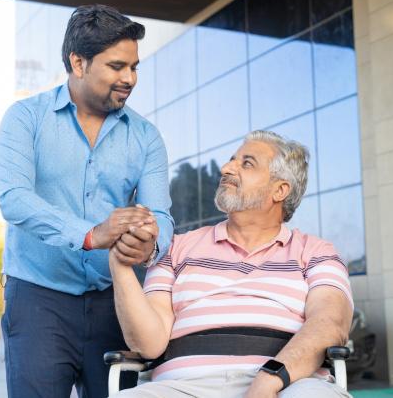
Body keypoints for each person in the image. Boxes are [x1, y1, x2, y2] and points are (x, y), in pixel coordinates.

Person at [0, 4, 174, 398]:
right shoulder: (25, 118)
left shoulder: (145, 137)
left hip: (116, 303)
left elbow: (160, 212)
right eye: (116, 66)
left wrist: (151, 240)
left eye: (134, 67)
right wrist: (91, 234)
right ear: (78, 62)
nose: (129, 78)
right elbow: (13, 198)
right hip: (38, 298)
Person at [109, 130, 353, 398]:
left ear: (280, 190)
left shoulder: (316, 252)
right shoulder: (176, 248)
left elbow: (330, 323)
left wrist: (271, 377)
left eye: (246, 163)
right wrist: (119, 263)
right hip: (183, 387)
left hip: (289, 383)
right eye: (231, 160)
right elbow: (149, 344)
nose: (226, 168)